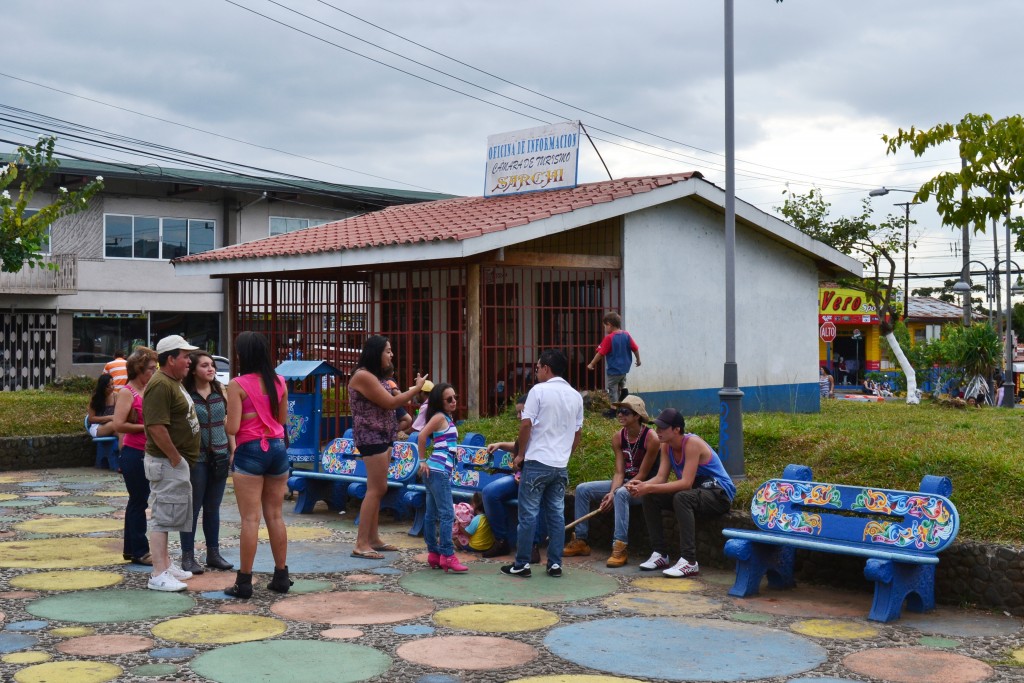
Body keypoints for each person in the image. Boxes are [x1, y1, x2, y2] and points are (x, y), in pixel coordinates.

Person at [501, 349, 584, 579]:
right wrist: (566, 454)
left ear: (546, 368)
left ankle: (522, 564)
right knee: (556, 514)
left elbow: (526, 425)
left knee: (528, 514)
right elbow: (578, 433)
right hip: (560, 464)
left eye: (537, 368)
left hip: (537, 461)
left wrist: (520, 456)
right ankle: (555, 564)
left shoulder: (538, 391)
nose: (536, 371)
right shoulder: (576, 395)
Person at [627, 408, 736, 578]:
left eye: (663, 428)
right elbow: (661, 477)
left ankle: (689, 561)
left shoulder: (692, 444)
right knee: (650, 496)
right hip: (697, 493)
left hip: (718, 494)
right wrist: (642, 485)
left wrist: (648, 487)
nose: (658, 432)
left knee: (681, 497)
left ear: (677, 429)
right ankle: (660, 554)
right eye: (657, 428)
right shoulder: (666, 446)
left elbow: (685, 484)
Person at [348, 335, 427, 559]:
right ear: (376, 353)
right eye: (388, 351)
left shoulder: (376, 376)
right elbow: (391, 403)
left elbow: (395, 403)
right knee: (375, 489)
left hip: (383, 435)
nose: (391, 355)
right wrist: (417, 388)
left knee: (379, 488)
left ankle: (373, 538)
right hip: (370, 437)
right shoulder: (363, 376)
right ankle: (361, 543)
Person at [224, 331, 291, 598]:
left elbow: (233, 426)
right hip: (277, 449)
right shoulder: (280, 382)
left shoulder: (237, 385)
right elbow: (282, 420)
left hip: (250, 450)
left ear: (244, 355)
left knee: (250, 519)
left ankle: (244, 582)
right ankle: (281, 576)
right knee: (275, 515)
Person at [563, 394, 660, 567]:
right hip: (625, 482)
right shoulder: (618, 437)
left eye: (625, 411)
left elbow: (643, 474)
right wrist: (610, 492)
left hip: (645, 486)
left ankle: (620, 546)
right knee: (583, 489)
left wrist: (616, 493)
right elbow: (619, 472)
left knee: (621, 494)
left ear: (637, 415)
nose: (620, 415)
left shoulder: (651, 438)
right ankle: (581, 540)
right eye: (618, 411)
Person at [143, 335, 201, 592]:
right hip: (166, 462)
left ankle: (165, 564)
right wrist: (176, 458)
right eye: (185, 356)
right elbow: (156, 426)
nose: (189, 361)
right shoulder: (160, 385)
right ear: (170, 359)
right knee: (162, 516)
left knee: (171, 513)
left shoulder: (172, 382)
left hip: (174, 462)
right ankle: (158, 573)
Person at [181, 350, 234, 574]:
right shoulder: (186, 394)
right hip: (197, 458)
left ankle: (213, 553)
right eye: (204, 365)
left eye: (212, 365)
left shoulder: (221, 390)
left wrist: (233, 448)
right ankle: (188, 557)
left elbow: (228, 420)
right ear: (193, 370)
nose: (211, 369)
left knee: (213, 508)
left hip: (220, 455)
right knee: (192, 508)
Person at [480, 393, 548, 562]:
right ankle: (501, 540)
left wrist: (524, 476)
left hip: (536, 478)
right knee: (489, 493)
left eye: (521, 412)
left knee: (532, 499)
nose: (518, 416)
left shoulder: (542, 430)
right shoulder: (525, 429)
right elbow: (519, 446)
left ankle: (532, 546)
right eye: (517, 412)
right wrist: (501, 445)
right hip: (519, 477)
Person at [112, 346, 158, 566]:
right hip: (134, 452)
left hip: (147, 451)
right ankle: (140, 550)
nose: (153, 372)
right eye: (150, 368)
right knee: (139, 502)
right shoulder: (126, 392)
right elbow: (118, 424)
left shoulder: (149, 389)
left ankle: (132, 549)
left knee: (137, 501)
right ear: (139, 369)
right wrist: (145, 427)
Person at [416, 382, 468, 573]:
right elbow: (422, 436)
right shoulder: (439, 417)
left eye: (455, 397)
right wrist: (422, 460)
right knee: (446, 514)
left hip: (435, 471)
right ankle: (447, 555)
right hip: (438, 472)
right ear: (440, 401)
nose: (454, 401)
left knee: (432, 514)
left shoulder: (444, 417)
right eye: (449, 399)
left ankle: (434, 554)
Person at [587, 311, 641, 412]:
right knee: (621, 381)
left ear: (609, 325)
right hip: (624, 368)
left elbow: (600, 353)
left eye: (605, 326)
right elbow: (635, 348)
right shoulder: (626, 335)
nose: (605, 328)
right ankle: (624, 392)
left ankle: (613, 410)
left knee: (612, 388)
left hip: (614, 369)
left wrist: (591, 364)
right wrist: (638, 360)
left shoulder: (609, 338)